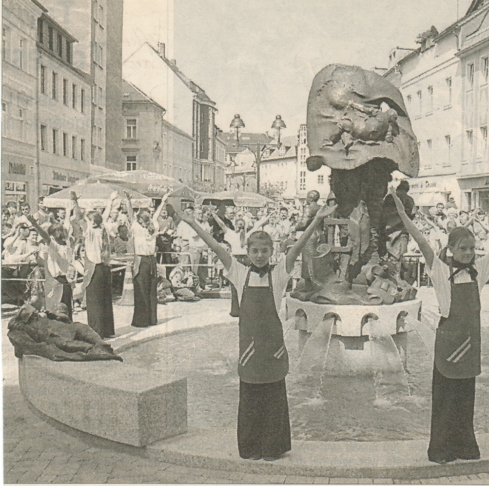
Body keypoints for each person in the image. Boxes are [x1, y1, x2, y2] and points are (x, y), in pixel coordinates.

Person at [175, 201, 337, 461]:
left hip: (272, 352)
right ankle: (249, 448)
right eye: (255, 251)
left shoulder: (279, 275)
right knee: (249, 402)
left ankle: (273, 448)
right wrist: (193, 223)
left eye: (264, 251)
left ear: (271, 252)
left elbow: (296, 248)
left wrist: (316, 218)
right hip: (250, 353)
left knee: (274, 402)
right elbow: (216, 247)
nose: (260, 255)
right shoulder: (239, 273)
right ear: (247, 252)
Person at [392, 184, 489, 463]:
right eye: (463, 248)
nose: (469, 253)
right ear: (452, 249)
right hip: (448, 343)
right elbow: (421, 240)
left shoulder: (478, 271)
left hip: (469, 343)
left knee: (466, 399)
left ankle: (465, 446)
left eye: (471, 248)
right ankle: (442, 450)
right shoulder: (440, 270)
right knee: (445, 399)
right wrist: (402, 215)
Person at [125, 189, 172, 328]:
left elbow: (130, 216)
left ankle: (141, 320)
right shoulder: (154, 227)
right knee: (151, 291)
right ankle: (152, 319)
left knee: (141, 291)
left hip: (141, 261)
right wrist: (163, 200)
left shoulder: (137, 228)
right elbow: (156, 215)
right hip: (152, 261)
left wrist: (128, 200)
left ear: (140, 219)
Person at [78, 191, 117, 338]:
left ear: (91, 222)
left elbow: (80, 217)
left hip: (94, 269)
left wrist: (76, 202)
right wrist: (110, 200)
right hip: (104, 268)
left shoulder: (90, 232)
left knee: (94, 302)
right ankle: (108, 330)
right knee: (106, 300)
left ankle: (96, 332)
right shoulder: (103, 229)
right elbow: (105, 215)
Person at [26, 214, 74, 321]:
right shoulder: (68, 245)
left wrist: (34, 223)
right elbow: (66, 227)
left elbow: (44, 235)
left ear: (57, 234)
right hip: (64, 280)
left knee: (55, 310)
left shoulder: (55, 245)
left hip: (56, 281)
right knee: (65, 309)